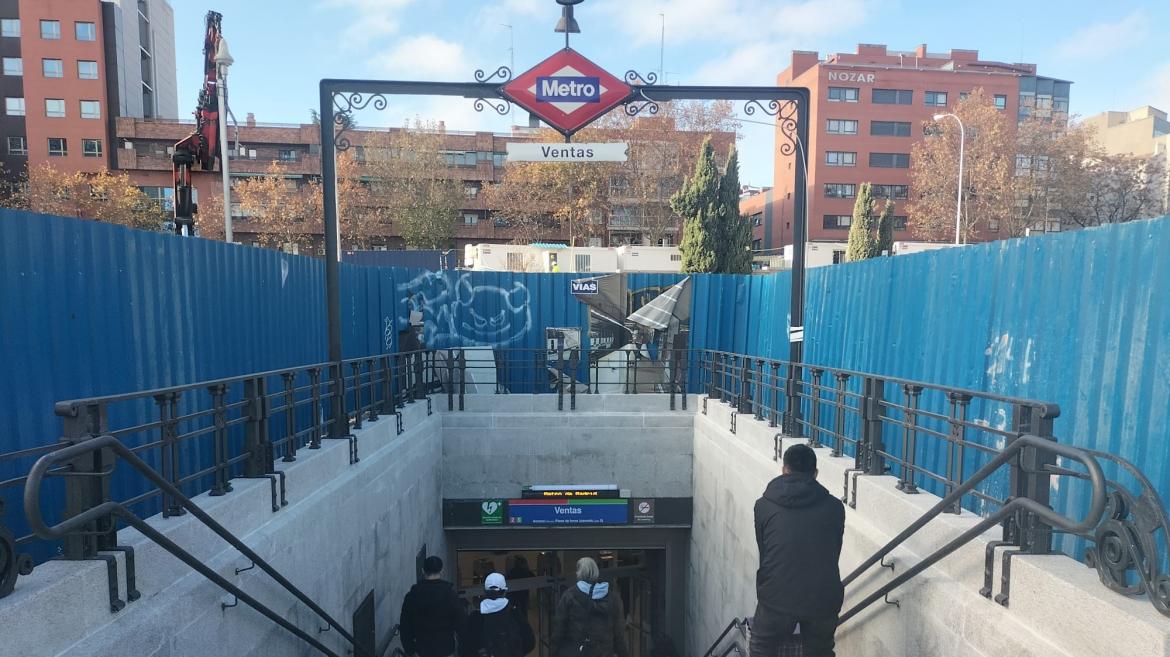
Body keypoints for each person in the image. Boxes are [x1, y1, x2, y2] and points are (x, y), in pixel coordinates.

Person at [752, 444, 846, 657]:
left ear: (784, 470)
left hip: (776, 595)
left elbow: (765, 552)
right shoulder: (835, 507)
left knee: (762, 646)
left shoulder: (763, 505)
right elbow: (834, 550)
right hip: (823, 595)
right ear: (815, 473)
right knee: (821, 651)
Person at [551, 557, 629, 657]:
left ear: (579, 573)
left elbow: (559, 630)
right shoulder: (613, 598)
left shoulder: (569, 596)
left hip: (578, 652)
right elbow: (619, 635)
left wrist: (554, 652)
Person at [400, 556, 466, 657]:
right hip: (445, 649)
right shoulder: (450, 594)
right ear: (441, 570)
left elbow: (405, 626)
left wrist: (410, 650)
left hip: (421, 650)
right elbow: (461, 623)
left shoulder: (412, 595)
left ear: (423, 571)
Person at [461, 573, 536, 657]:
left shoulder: (475, 618)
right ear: (504, 591)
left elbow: (465, 648)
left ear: (485, 592)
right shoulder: (514, 614)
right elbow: (529, 642)